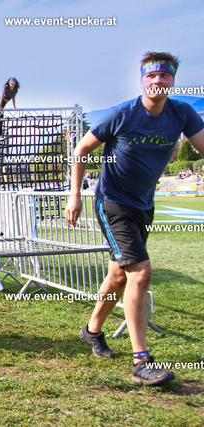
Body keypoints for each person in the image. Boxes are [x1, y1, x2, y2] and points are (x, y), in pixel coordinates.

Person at [64, 52, 204, 386]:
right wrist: (75, 195)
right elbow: (81, 150)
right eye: (151, 76)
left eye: (165, 76)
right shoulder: (122, 114)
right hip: (113, 203)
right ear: (142, 80)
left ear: (172, 80)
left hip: (143, 204)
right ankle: (141, 361)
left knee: (118, 275)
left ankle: (92, 331)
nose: (158, 81)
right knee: (140, 273)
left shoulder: (182, 114)